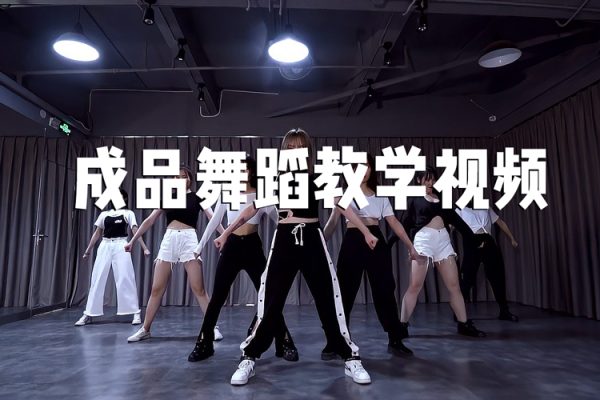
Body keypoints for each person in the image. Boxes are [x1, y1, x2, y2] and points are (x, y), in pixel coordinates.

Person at [218, 129, 376, 386]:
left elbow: (342, 204)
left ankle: (350, 357)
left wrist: (366, 231)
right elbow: (251, 209)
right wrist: (226, 233)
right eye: (290, 148)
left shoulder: (318, 178)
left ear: (307, 152)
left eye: (299, 147)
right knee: (270, 302)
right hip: (284, 240)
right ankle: (249, 357)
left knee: (328, 300)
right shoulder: (276, 181)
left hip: (312, 239)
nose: (295, 152)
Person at [188, 157, 298, 362]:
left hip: (252, 247)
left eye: (244, 169)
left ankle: (284, 342)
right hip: (231, 247)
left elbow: (279, 220)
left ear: (251, 171)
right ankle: (204, 343)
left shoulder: (260, 195)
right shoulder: (227, 192)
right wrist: (199, 246)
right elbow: (215, 220)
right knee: (217, 297)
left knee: (268, 296)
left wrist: (292, 234)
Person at [323, 154, 419, 356]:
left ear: (372, 169)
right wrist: (320, 243)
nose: (363, 170)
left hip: (376, 240)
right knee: (345, 292)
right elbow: (333, 221)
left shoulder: (380, 195)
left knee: (385, 289)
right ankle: (336, 340)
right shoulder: (344, 194)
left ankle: (395, 338)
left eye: (366, 165)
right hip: (352, 240)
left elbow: (394, 222)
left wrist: (410, 246)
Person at [125, 166, 223, 343]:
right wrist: (132, 241)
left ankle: (212, 327)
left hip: (189, 240)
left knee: (199, 289)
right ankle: (145, 329)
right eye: (176, 177)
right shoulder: (168, 197)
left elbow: (213, 218)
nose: (179, 179)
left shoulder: (197, 197)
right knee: (156, 289)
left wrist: (224, 236)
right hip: (169, 239)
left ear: (189, 179)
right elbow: (149, 220)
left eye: (183, 176)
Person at [399, 166, 486, 338]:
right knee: (415, 285)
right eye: (426, 179)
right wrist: (405, 246)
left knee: (454, 286)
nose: (430, 182)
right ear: (419, 180)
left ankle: (463, 324)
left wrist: (475, 239)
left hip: (443, 240)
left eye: (432, 179)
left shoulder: (442, 197)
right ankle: (402, 325)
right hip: (423, 240)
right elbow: (404, 224)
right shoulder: (414, 199)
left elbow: (457, 220)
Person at [75, 189, 148, 326]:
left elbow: (135, 231)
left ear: (124, 199)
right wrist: (88, 250)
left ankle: (135, 312)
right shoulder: (104, 214)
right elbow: (97, 233)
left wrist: (144, 248)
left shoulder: (128, 213)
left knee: (126, 277)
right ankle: (88, 313)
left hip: (121, 245)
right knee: (97, 278)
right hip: (105, 245)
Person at [456, 203, 519, 321]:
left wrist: (512, 238)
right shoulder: (460, 209)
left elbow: (500, 222)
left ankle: (504, 311)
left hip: (488, 240)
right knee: (467, 278)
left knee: (497, 276)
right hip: (471, 241)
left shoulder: (485, 206)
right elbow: (450, 226)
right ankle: (459, 313)